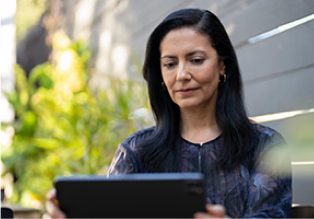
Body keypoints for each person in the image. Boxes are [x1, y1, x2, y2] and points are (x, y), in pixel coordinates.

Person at [46, 8, 292, 218]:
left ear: (222, 65)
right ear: (161, 75)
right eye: (170, 64)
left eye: (195, 60)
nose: (182, 75)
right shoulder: (136, 152)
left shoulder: (264, 147)